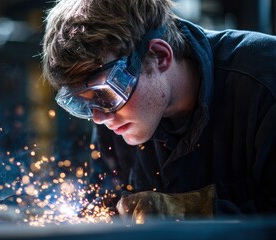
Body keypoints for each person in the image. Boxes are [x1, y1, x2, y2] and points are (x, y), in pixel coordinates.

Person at [41, 0, 276, 223]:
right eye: (85, 103)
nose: (100, 117)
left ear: (160, 56)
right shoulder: (116, 120)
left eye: (107, 93)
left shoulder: (264, 82)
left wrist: (191, 212)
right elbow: (100, 208)